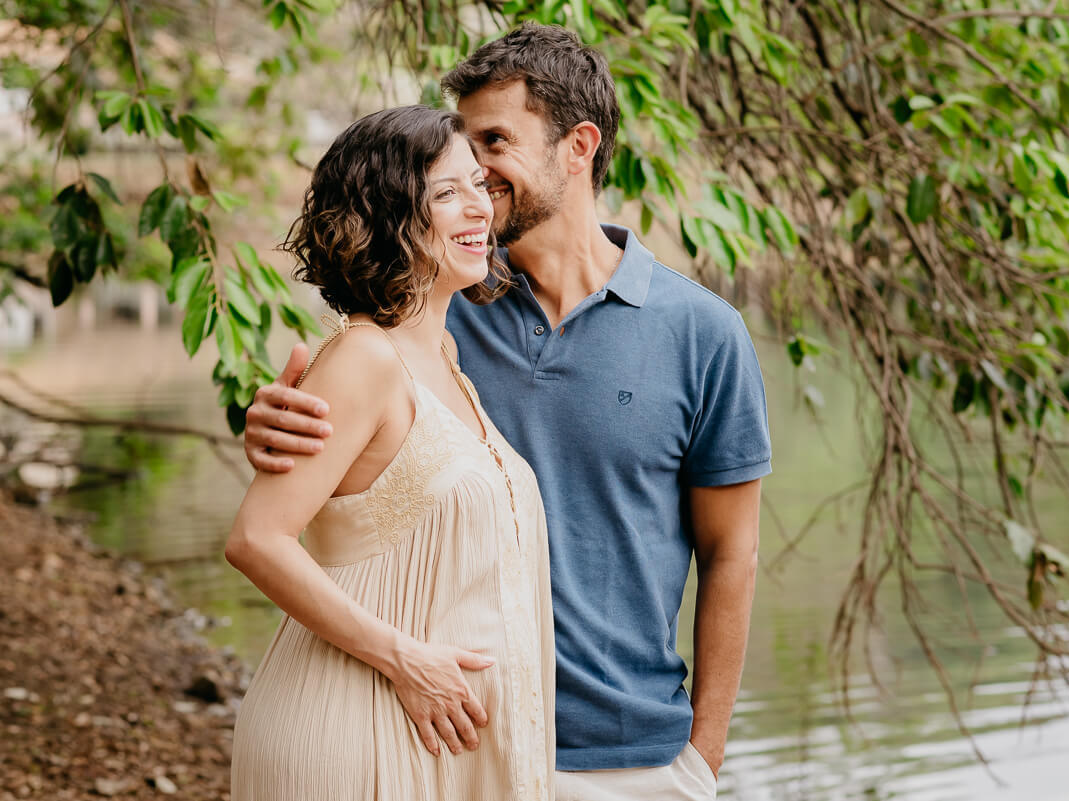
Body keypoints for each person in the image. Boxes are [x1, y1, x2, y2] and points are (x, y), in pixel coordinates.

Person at [245, 22, 770, 801]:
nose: (477, 173)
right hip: (452, 738)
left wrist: (702, 757)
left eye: (494, 141)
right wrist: (265, 424)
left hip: (629, 753)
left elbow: (732, 552)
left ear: (578, 146)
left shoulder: (703, 333)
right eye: (461, 154)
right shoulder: (434, 308)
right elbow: (331, 459)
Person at [225, 105, 555, 801]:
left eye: (478, 185)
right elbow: (257, 537)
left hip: (434, 733)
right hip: (356, 724)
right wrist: (405, 660)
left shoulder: (444, 354)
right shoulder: (364, 358)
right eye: (446, 193)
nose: (478, 208)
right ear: (388, 218)